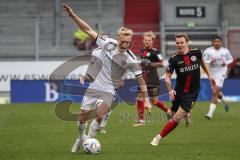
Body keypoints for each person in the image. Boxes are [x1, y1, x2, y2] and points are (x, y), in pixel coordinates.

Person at [62, 4, 152, 153]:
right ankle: (81, 138)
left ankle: (88, 143)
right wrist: (73, 16)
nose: (125, 45)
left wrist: (147, 100)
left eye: (128, 43)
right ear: (118, 39)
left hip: (109, 90)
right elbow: (88, 30)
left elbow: (141, 80)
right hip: (94, 86)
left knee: (99, 115)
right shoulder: (107, 44)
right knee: (82, 119)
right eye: (123, 42)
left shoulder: (131, 59)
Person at [150, 33, 215, 146]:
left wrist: (209, 75)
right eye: (177, 43)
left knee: (176, 118)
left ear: (187, 42)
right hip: (178, 91)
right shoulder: (174, 59)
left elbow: (202, 63)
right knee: (173, 113)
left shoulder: (196, 52)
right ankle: (187, 113)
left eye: (181, 42)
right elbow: (167, 77)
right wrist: (170, 90)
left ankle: (158, 137)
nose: (179, 45)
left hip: (192, 92)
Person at [133, 31, 171, 126]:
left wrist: (150, 64)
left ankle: (168, 111)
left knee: (154, 101)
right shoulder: (142, 51)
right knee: (139, 97)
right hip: (143, 78)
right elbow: (143, 63)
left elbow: (161, 63)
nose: (147, 42)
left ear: (152, 41)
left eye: (149, 40)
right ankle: (141, 120)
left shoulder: (156, 52)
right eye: (145, 40)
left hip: (153, 79)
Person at [203, 36, 233, 119]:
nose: (217, 42)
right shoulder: (208, 51)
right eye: (215, 41)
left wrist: (225, 62)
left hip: (221, 72)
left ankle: (210, 114)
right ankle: (226, 102)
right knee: (216, 92)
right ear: (213, 42)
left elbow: (231, 59)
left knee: (215, 92)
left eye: (218, 41)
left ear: (221, 42)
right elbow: (203, 60)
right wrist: (210, 61)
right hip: (212, 72)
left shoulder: (225, 51)